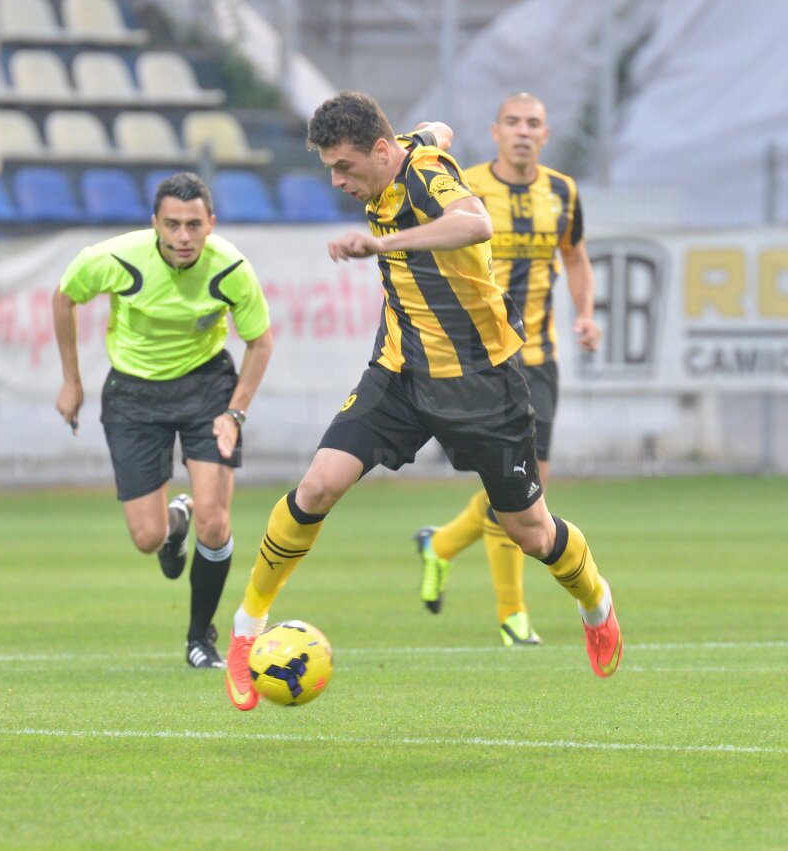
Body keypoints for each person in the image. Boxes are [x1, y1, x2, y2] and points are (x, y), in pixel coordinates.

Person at [223, 92, 622, 712]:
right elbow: (437, 128)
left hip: (480, 381)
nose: (337, 181)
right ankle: (246, 630)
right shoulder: (405, 148)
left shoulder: (426, 178)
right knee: (318, 486)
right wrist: (430, 130)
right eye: (329, 168)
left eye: (345, 167)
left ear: (381, 152)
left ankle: (596, 603)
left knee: (531, 532)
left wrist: (385, 245)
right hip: (399, 372)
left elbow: (475, 221)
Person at [53, 171, 273, 669]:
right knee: (147, 537)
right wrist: (72, 381)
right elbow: (64, 296)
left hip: (207, 390)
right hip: (133, 395)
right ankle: (177, 520)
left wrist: (235, 412)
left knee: (216, 523)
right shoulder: (114, 258)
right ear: (154, 223)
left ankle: (201, 639)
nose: (182, 237)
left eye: (194, 225)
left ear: (210, 224)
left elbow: (260, 342)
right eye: (171, 224)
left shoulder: (231, 267)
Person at [414, 92, 601, 647]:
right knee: (514, 489)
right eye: (513, 122)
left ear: (546, 134)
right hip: (485, 356)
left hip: (540, 358)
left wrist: (587, 314)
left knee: (526, 488)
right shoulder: (462, 186)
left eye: (534, 124)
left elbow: (574, 254)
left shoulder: (563, 191)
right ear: (495, 131)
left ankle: (442, 546)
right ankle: (512, 614)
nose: (523, 132)